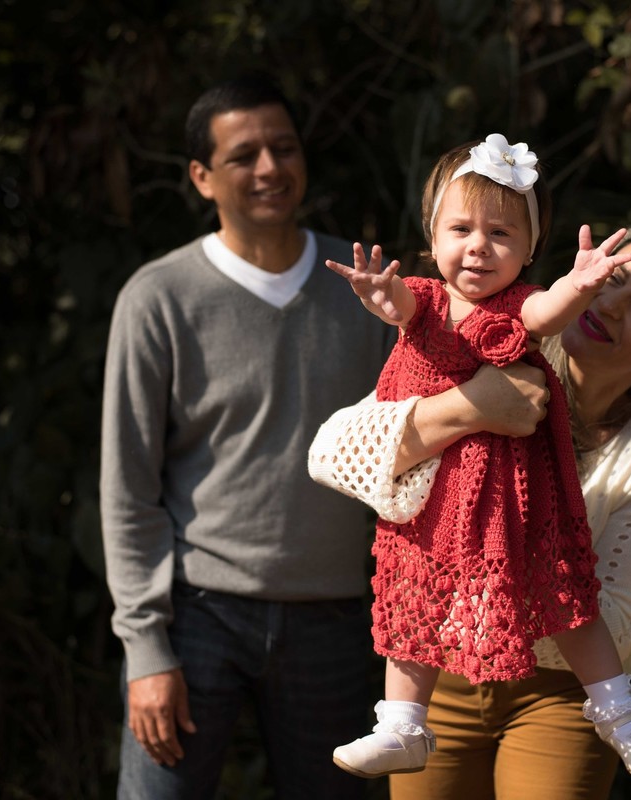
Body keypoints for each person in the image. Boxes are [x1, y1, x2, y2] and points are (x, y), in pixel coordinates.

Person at [309, 217, 631, 799]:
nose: (610, 305)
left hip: (565, 696)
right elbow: (329, 455)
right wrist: (471, 408)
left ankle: (622, 720)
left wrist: (489, 574)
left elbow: (616, 628)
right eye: (612, 279)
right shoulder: (483, 350)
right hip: (436, 677)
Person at [321, 135, 631, 780]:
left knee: (569, 595)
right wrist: (382, 298)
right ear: (433, 240)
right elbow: (404, 306)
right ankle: (401, 726)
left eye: (501, 233)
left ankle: (620, 713)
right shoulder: (426, 300)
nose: (479, 246)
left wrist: (579, 285)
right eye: (461, 229)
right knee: (411, 600)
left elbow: (546, 311)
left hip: (518, 503)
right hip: (434, 504)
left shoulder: (516, 305)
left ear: (530, 249)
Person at [99, 74, 390, 800]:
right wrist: (145, 648)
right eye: (243, 155)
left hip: (333, 616)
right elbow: (128, 488)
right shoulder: (158, 299)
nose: (269, 168)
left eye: (284, 148)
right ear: (202, 177)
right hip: (195, 614)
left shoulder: (366, 291)